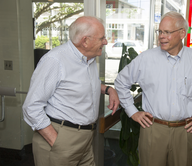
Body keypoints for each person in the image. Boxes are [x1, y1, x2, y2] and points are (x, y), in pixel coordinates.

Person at [114, 11, 192, 166]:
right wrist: (132, 112)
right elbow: (120, 82)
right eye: (160, 31)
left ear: (182, 34)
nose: (161, 36)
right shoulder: (146, 59)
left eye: (167, 32)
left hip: (185, 131)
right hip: (153, 130)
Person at [22, 16, 120, 166]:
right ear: (85, 41)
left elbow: (85, 84)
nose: (106, 42)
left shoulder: (90, 58)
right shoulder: (55, 61)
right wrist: (57, 142)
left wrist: (108, 89)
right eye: (102, 38)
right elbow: (31, 107)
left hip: (86, 140)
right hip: (60, 139)